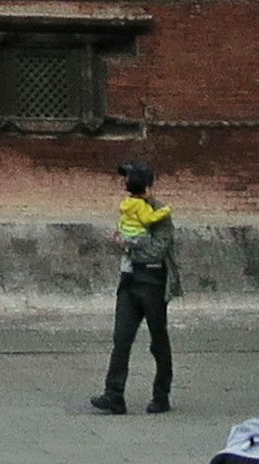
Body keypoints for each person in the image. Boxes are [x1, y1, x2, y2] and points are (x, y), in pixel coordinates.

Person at [87, 158, 176, 415]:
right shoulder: (128, 209)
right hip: (128, 282)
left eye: (131, 179)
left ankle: (161, 394)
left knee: (158, 340)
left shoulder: (160, 215)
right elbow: (120, 235)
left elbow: (158, 249)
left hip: (153, 282)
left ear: (148, 187)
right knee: (121, 339)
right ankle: (114, 394)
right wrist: (126, 241)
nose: (127, 184)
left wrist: (128, 244)